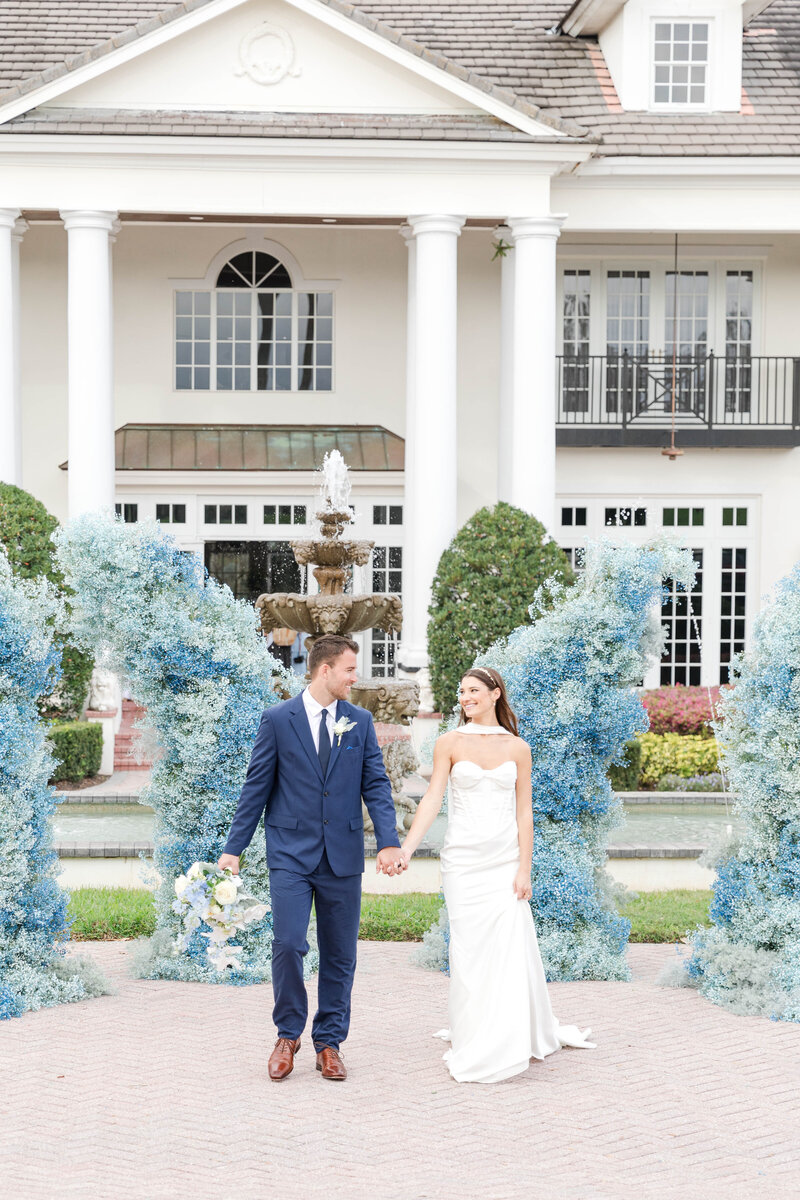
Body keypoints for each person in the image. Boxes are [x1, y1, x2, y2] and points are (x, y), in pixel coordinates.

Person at [218, 633, 406, 1083]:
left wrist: (388, 840)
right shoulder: (278, 720)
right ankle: (287, 1034)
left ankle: (329, 1043)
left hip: (341, 855)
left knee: (340, 954)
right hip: (290, 854)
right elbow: (256, 789)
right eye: (348, 670)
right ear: (325, 670)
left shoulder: (359, 722)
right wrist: (233, 849)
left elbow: (376, 785)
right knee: (287, 944)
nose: (354, 679)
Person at [399, 666, 595, 1084]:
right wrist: (408, 848)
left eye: (473, 690)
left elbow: (524, 813)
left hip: (504, 860)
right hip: (463, 861)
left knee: (505, 945)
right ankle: (473, 1032)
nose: (465, 697)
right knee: (469, 949)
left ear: (494, 694)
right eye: (462, 691)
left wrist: (525, 867)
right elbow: (433, 798)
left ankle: (507, 1032)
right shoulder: (448, 742)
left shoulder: (518, 748)